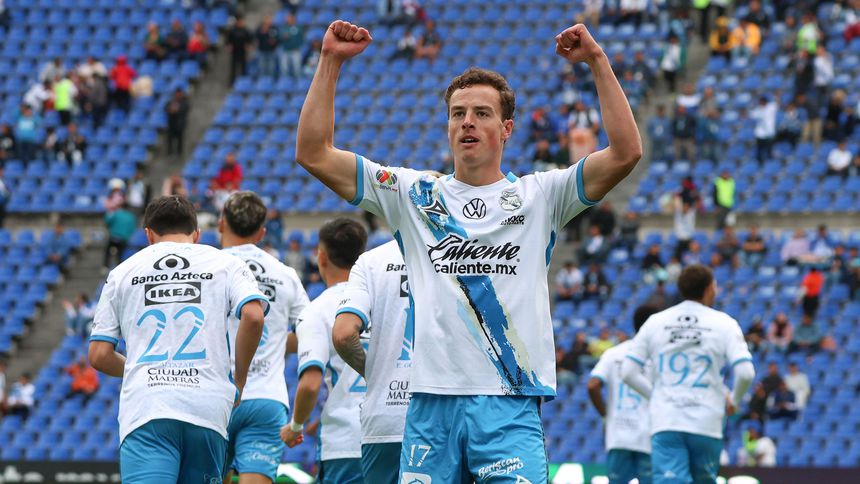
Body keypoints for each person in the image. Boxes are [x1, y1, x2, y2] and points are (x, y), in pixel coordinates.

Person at [295, 20, 641, 482]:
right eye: (457, 113)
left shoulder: (542, 196)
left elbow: (625, 152)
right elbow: (314, 153)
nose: (467, 122)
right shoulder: (412, 195)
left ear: (507, 128)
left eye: (481, 113)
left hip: (509, 404)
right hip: (430, 406)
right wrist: (330, 61)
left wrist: (597, 61)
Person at [88, 196, 268, 483]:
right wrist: (240, 380)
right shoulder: (227, 263)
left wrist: (140, 369)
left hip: (149, 407)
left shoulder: (122, 273)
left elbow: (99, 354)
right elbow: (254, 316)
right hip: (208, 405)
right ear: (196, 235)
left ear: (148, 235)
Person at [622, 265, 755, 484]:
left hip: (667, 419)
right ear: (710, 289)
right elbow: (746, 373)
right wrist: (734, 401)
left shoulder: (656, 322)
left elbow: (628, 372)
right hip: (707, 420)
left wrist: (655, 396)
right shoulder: (725, 323)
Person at [219, 192, 309, 484]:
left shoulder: (209, 268)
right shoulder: (286, 273)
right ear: (261, 232)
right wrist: (277, 340)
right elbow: (310, 333)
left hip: (217, 395)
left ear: (221, 224)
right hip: (267, 398)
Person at [280, 218, 367, 483]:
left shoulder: (318, 310)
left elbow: (310, 384)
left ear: (321, 256)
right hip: (394, 436)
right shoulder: (382, 301)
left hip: (346, 441)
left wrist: (295, 426)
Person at [332, 239, 414, 483]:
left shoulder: (372, 261)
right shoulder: (460, 254)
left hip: (385, 416)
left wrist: (376, 374)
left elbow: (343, 335)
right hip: (441, 414)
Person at [589, 305, 661, 484]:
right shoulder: (659, 356)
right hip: (648, 436)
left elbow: (593, 385)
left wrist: (605, 415)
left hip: (618, 435)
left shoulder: (614, 353)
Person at [103, 203, 137, 271]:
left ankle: (105, 267)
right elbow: (132, 228)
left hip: (114, 236)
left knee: (108, 252)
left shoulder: (117, 213)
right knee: (120, 254)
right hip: (124, 239)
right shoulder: (131, 216)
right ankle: (119, 268)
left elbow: (107, 221)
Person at [228, 16, 253, 85]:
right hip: (235, 51)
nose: (241, 23)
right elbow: (229, 41)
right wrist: (229, 46)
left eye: (242, 21)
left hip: (243, 51)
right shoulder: (233, 30)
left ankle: (244, 82)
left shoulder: (246, 31)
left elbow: (249, 40)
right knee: (234, 68)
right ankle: (232, 82)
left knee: (243, 67)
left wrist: (248, 46)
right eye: (240, 22)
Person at [280, 14, 305, 78]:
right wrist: (283, 37)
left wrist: (297, 46)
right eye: (287, 19)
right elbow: (279, 37)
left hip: (295, 51)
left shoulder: (298, 27)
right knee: (284, 68)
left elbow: (301, 39)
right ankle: (285, 81)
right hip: (285, 51)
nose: (288, 20)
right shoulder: (283, 27)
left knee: (297, 68)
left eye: (289, 18)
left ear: (293, 19)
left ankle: (298, 81)